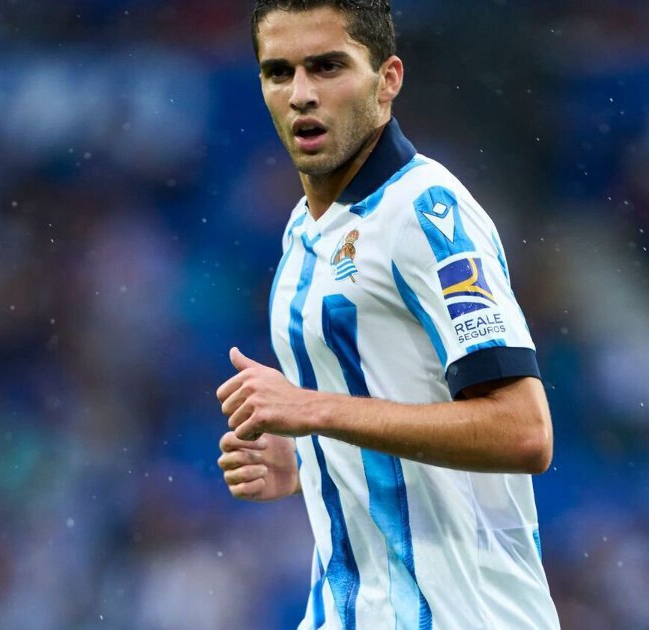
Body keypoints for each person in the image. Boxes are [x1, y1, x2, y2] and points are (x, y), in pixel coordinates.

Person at [215, 1, 559, 627]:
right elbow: (385, 402)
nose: (300, 94)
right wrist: (311, 462)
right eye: (279, 72)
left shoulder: (426, 214)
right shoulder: (302, 230)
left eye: (327, 67)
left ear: (388, 79)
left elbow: (524, 431)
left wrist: (313, 411)